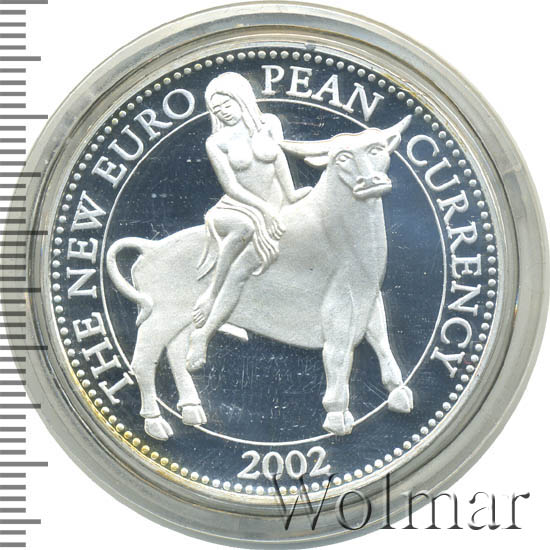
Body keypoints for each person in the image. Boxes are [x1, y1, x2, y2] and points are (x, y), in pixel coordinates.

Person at [186, 72, 311, 370]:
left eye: (226, 104)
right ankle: (209, 308)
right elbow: (231, 187)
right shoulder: (216, 142)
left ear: (241, 98)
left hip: (276, 205)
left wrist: (291, 194)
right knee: (246, 234)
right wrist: (264, 209)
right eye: (216, 109)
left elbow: (279, 159)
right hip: (238, 208)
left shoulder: (269, 124)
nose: (223, 112)